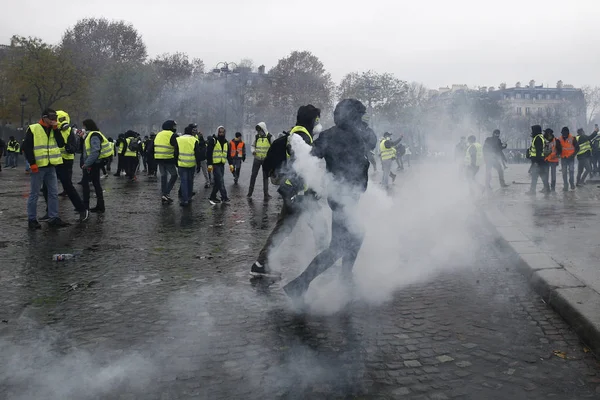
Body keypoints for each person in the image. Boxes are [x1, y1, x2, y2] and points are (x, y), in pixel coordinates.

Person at [283, 99, 377, 300]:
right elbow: (372, 140)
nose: (362, 119)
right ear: (353, 116)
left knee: (355, 237)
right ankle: (300, 283)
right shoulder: (358, 132)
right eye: (359, 116)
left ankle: (343, 278)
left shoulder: (329, 135)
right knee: (339, 246)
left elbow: (311, 156)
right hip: (343, 197)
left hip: (343, 195)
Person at [250, 104, 322, 277]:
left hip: (294, 192)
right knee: (318, 226)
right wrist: (311, 189)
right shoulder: (301, 137)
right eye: (317, 120)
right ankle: (327, 260)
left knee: (285, 227)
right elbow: (303, 168)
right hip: (300, 193)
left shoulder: (295, 134)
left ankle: (261, 263)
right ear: (312, 121)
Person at [22, 108, 70, 229]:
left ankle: (53, 217)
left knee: (53, 193)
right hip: (38, 166)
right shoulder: (34, 128)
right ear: (44, 117)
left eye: (55, 118)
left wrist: (55, 129)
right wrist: (32, 163)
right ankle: (32, 220)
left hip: (51, 166)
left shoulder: (54, 129)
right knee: (34, 194)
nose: (54, 120)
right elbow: (27, 147)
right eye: (51, 118)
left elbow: (60, 144)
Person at [41, 110, 89, 221]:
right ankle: (50, 211)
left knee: (67, 186)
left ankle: (82, 209)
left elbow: (74, 148)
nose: (56, 121)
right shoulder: (51, 130)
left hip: (66, 162)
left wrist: (67, 147)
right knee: (46, 187)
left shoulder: (70, 131)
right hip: (53, 161)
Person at [79, 119, 111, 212]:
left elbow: (95, 151)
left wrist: (86, 164)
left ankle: (85, 206)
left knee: (86, 184)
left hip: (93, 163)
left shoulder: (94, 135)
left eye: (84, 126)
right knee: (96, 184)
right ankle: (100, 206)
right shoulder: (91, 135)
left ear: (87, 126)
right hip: (94, 163)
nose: (83, 128)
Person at [176, 125, 203, 206]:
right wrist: (198, 164)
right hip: (191, 164)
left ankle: (185, 200)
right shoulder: (194, 140)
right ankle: (189, 197)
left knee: (183, 181)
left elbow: (176, 152)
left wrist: (176, 162)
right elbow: (197, 153)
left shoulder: (178, 139)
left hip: (181, 164)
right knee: (190, 181)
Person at [153, 120, 179, 204]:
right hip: (168, 158)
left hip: (158, 158)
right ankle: (166, 193)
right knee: (174, 175)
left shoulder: (158, 134)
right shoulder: (172, 135)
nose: (175, 128)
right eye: (174, 126)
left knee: (163, 176)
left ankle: (164, 194)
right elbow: (176, 147)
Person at [207, 126, 233, 204]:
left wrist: (230, 164)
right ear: (217, 132)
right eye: (220, 132)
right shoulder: (213, 140)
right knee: (220, 180)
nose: (221, 134)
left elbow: (228, 154)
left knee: (218, 182)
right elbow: (209, 153)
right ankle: (224, 197)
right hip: (215, 164)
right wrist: (209, 164)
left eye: (223, 132)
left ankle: (212, 196)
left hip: (222, 164)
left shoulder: (226, 142)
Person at [247, 122, 273, 200]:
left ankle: (266, 193)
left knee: (265, 177)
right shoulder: (257, 137)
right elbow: (252, 145)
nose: (259, 132)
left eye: (260, 130)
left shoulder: (270, 137)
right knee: (253, 176)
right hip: (257, 159)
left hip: (266, 160)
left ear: (263, 129)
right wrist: (253, 151)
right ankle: (249, 193)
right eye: (258, 130)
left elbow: (273, 147)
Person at [526, 125, 549, 195]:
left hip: (538, 161)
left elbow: (538, 151)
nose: (532, 131)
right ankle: (547, 188)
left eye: (532, 130)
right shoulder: (539, 137)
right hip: (540, 160)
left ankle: (532, 191)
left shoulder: (538, 138)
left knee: (534, 176)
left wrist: (536, 162)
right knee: (542, 175)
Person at [558, 127, 579, 191]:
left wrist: (573, 155)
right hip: (563, 158)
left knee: (571, 171)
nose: (564, 134)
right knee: (564, 172)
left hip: (570, 158)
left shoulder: (572, 138)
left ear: (568, 133)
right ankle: (565, 185)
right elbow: (558, 148)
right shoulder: (559, 139)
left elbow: (577, 148)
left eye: (565, 133)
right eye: (563, 133)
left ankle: (571, 182)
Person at [543, 128, 560, 193]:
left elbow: (559, 150)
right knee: (547, 175)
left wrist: (557, 155)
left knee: (552, 175)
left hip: (552, 160)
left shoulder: (555, 140)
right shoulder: (545, 140)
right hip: (547, 160)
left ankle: (552, 188)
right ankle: (547, 188)